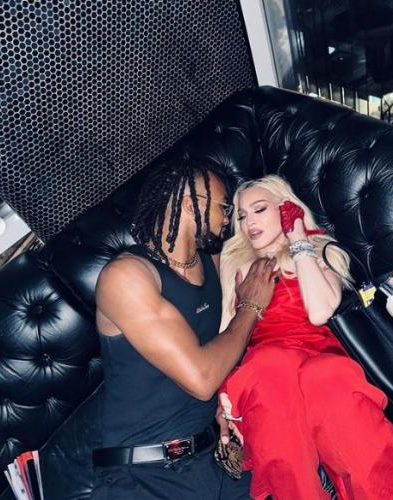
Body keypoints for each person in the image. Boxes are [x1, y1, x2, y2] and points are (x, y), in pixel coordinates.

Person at [90, 159, 278, 499]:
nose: (228, 218)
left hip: (211, 458)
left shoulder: (211, 260)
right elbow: (201, 379)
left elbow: (219, 347)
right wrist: (250, 308)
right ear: (191, 205)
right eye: (224, 207)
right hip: (143, 476)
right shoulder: (126, 277)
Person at [218, 175, 393, 500]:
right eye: (242, 215)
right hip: (267, 371)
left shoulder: (319, 251)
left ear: (286, 207)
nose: (249, 222)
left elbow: (321, 312)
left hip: (323, 361)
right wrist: (223, 395)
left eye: (259, 209)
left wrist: (298, 241)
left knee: (325, 376)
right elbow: (227, 336)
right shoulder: (237, 266)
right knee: (270, 365)